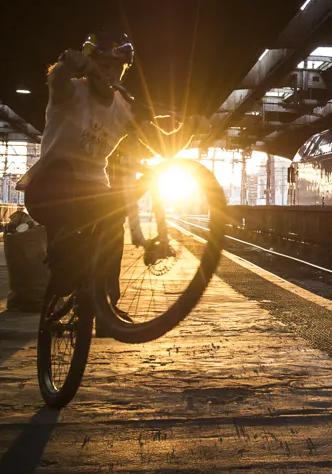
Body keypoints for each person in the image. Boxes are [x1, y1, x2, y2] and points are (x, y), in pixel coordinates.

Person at [17, 34, 206, 299]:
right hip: (49, 189)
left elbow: (162, 146)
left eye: (117, 69)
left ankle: (107, 303)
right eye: (104, 66)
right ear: (91, 65)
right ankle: (62, 261)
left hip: (92, 192)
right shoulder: (73, 92)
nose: (111, 74)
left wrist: (190, 130)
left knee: (112, 227)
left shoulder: (123, 108)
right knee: (68, 261)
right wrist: (67, 63)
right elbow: (56, 81)